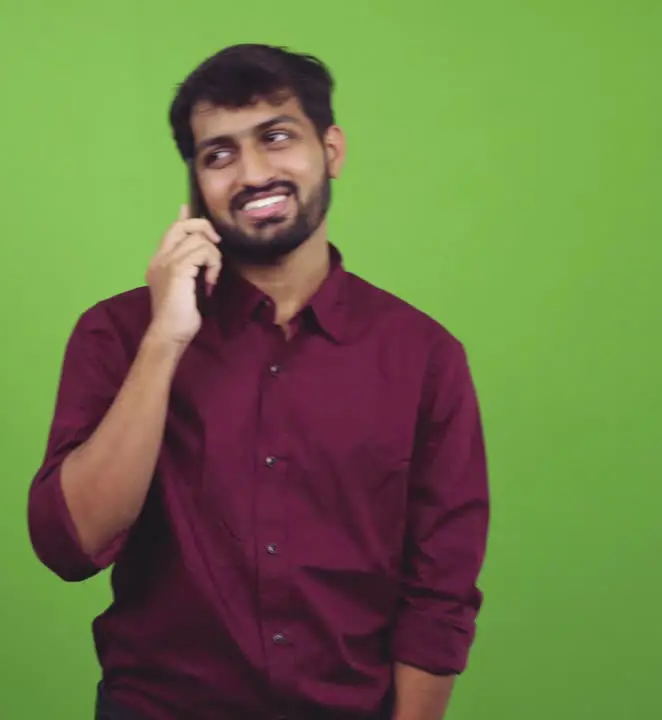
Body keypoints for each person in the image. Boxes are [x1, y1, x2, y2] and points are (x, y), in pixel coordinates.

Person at [27, 43, 490, 720]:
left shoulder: (425, 356)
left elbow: (440, 591)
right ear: (195, 184)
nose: (253, 173)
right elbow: (72, 545)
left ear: (331, 150)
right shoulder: (118, 334)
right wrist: (166, 339)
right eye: (218, 154)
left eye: (276, 138)